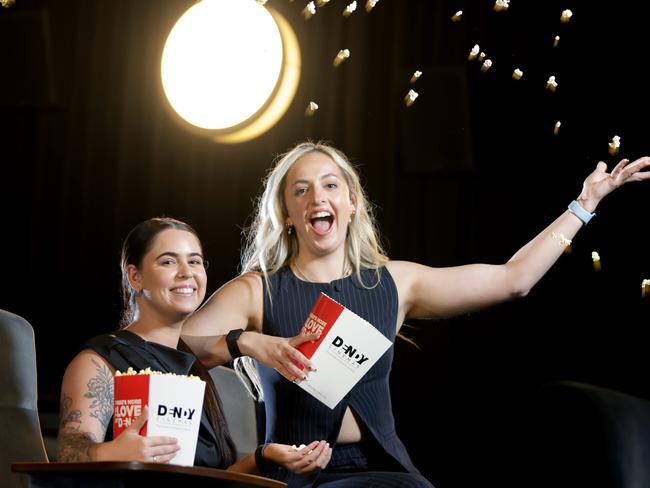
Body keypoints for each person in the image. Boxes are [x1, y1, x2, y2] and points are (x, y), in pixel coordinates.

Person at [182, 142, 650, 487]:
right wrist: (248, 342)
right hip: (295, 476)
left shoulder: (395, 282)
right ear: (287, 213)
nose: (315, 197)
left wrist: (584, 205)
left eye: (329, 185)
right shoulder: (258, 289)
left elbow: (513, 279)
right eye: (299, 190)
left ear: (351, 202)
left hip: (386, 470)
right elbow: (181, 347)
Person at [57, 217, 332, 476]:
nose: (186, 273)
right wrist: (112, 452)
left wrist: (264, 456)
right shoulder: (99, 360)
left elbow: (210, 480)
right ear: (135, 276)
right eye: (167, 262)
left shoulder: (194, 368)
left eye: (195, 261)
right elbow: (69, 452)